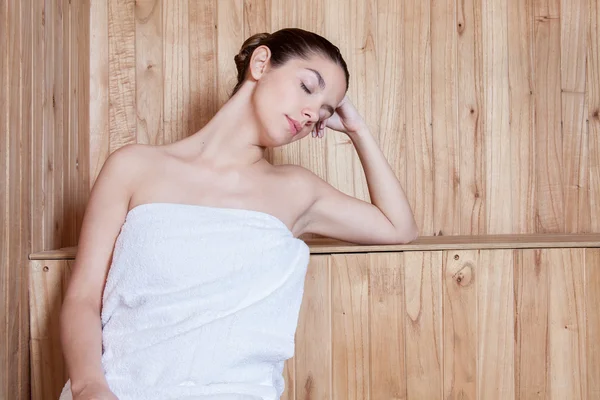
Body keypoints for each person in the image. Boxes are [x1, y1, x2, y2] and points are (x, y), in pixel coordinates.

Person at [59, 28, 418, 400]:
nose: (313, 113)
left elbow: (398, 227)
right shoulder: (133, 167)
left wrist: (358, 129)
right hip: (118, 390)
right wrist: (89, 387)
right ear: (261, 64)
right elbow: (83, 296)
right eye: (308, 87)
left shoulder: (296, 190)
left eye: (326, 111)